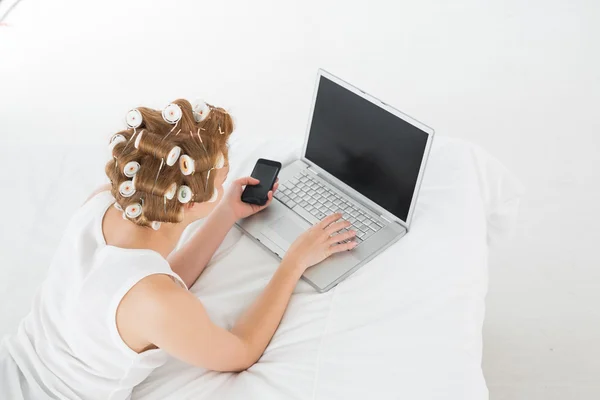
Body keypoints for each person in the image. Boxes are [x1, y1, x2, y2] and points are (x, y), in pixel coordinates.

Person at [0, 99, 357, 399]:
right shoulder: (155, 300)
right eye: (220, 181)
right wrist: (294, 262)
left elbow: (153, 284)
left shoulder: (103, 203)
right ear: (187, 204)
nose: (224, 182)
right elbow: (241, 351)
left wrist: (225, 213)